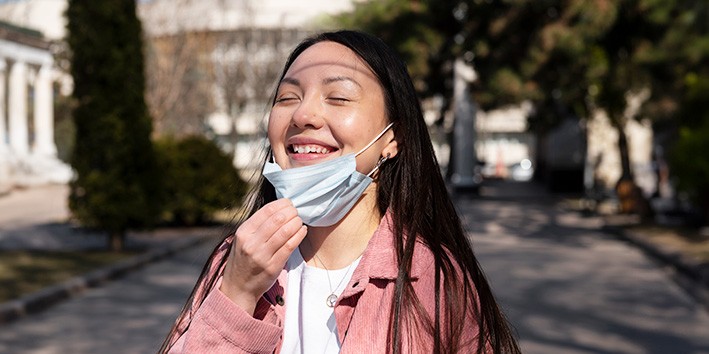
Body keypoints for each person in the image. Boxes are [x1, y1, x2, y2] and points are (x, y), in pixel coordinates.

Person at [160, 30, 520, 354]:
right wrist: (237, 294)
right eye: (287, 97)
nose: (303, 114)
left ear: (392, 139)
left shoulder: (435, 281)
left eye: (338, 97)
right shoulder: (235, 260)